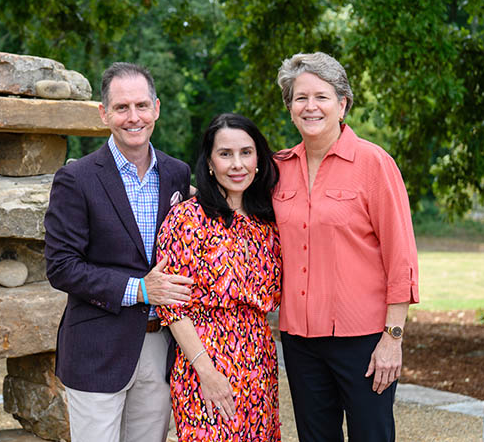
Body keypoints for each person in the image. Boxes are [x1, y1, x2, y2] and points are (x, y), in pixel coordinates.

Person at [273, 52, 419, 442]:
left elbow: (401, 257)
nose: (310, 107)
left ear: (343, 103)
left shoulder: (374, 163)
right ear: (289, 108)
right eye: (300, 98)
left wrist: (393, 338)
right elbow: (233, 204)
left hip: (365, 341)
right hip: (300, 341)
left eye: (321, 96)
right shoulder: (277, 169)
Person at [44, 62, 192, 442]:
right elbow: (61, 267)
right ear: (104, 113)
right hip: (96, 348)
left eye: (142, 106)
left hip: (159, 345)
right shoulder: (77, 179)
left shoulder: (177, 174)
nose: (133, 117)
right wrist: (140, 289)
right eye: (122, 108)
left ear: (157, 108)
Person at [155, 113, 282, 441]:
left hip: (258, 362)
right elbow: (173, 307)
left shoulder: (270, 222)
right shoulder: (186, 219)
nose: (237, 164)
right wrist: (206, 372)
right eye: (225, 154)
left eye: (246, 152)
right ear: (210, 163)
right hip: (204, 361)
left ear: (259, 159)